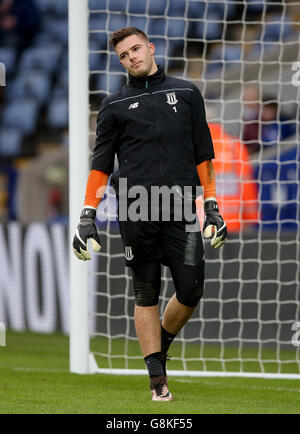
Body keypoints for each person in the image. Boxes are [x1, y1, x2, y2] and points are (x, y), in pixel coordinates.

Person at [72, 27, 227, 401]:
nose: (131, 58)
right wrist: (87, 215)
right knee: (146, 293)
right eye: (124, 56)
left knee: (191, 289)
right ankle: (157, 380)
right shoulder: (114, 104)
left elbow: (203, 154)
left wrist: (211, 205)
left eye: (136, 49)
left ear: (151, 47)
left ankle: (158, 345)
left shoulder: (188, 93)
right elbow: (100, 166)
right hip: (136, 207)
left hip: (180, 207)